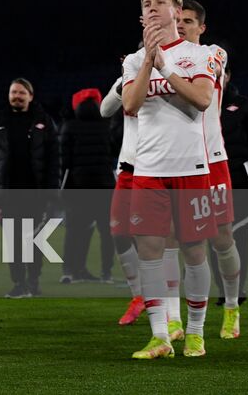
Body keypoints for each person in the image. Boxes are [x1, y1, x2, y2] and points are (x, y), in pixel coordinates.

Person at [119, 0, 216, 360]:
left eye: (161, 1)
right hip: (148, 168)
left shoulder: (199, 53)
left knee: (194, 251)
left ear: (177, 11)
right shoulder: (131, 60)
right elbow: (130, 104)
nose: (154, 7)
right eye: (147, 3)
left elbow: (203, 100)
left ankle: (195, 333)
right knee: (149, 251)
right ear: (142, 17)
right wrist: (147, 60)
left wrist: (165, 68)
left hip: (191, 167)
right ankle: (160, 336)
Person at [176, 0, 243, 339]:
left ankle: (231, 307)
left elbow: (205, 80)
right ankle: (183, 322)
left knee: (222, 238)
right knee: (186, 244)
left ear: (201, 26)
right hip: (180, 162)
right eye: (178, 20)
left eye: (188, 20)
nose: (182, 25)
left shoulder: (213, 53)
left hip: (213, 159)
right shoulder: (162, 58)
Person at [0, 77, 59, 298]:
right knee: (13, 243)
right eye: (14, 92)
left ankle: (33, 281)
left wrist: (52, 192)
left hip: (36, 194)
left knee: (35, 241)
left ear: (30, 96)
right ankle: (18, 283)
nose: (17, 96)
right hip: (8, 195)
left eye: (22, 92)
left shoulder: (44, 121)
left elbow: (54, 159)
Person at [213, 66, 248, 308]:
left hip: (240, 179)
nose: (217, 77)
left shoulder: (244, 105)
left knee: (240, 236)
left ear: (228, 76)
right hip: (210, 180)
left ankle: (238, 288)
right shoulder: (200, 102)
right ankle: (223, 290)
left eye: (221, 73)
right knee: (214, 238)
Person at [101, 56, 145, 325]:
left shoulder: (169, 80)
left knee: (156, 238)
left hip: (157, 168)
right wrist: (122, 86)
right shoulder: (125, 80)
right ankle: (138, 296)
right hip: (128, 168)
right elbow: (105, 110)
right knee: (119, 231)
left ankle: (165, 302)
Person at [58, 87, 115, 284]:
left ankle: (70, 271)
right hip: (105, 187)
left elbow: (64, 161)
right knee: (107, 233)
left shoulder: (70, 126)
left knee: (75, 231)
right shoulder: (107, 124)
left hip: (78, 188)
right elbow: (114, 151)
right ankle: (106, 273)